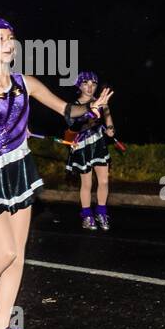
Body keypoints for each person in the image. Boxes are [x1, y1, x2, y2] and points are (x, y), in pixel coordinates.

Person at [0, 17, 111, 329]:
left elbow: (68, 110)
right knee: (4, 250)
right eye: (2, 38)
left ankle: (0, 328)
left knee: (18, 254)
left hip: (20, 169)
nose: (10, 43)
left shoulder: (26, 83)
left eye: (12, 37)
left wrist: (90, 109)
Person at [64, 70, 116, 231]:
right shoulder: (74, 106)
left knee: (104, 181)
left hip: (99, 144)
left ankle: (101, 212)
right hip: (82, 146)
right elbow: (71, 127)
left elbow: (107, 116)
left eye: (93, 84)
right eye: (85, 83)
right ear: (79, 85)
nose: (90, 87)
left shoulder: (100, 101)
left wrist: (110, 128)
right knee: (87, 183)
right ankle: (87, 215)